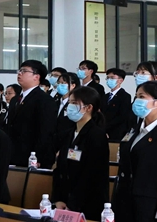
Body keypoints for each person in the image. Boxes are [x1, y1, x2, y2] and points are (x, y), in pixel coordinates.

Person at [113, 81, 157, 222]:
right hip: (124, 202)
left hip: (148, 207)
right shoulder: (135, 130)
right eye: (136, 96)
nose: (136, 101)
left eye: (141, 97)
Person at [53, 86, 109, 218]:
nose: (69, 106)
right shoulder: (69, 133)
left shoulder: (96, 135)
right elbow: (59, 169)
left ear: (88, 108)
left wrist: (73, 204)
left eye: (74, 103)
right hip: (65, 201)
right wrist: (58, 199)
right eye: (69, 102)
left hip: (87, 204)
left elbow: (91, 174)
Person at [6, 60, 58, 167]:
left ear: (36, 77)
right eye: (19, 71)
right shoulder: (15, 100)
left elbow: (45, 131)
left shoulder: (44, 100)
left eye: (24, 71)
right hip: (13, 154)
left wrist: (37, 157)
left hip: (31, 157)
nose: (19, 73)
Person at [102, 68, 132, 140]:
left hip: (116, 132)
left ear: (120, 80)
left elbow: (122, 116)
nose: (109, 80)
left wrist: (106, 127)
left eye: (112, 78)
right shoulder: (105, 97)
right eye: (108, 78)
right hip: (103, 131)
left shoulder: (125, 96)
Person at [54, 73, 81, 144]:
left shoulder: (75, 104)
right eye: (59, 83)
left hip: (67, 140)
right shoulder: (55, 102)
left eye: (63, 83)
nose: (60, 85)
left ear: (73, 85)